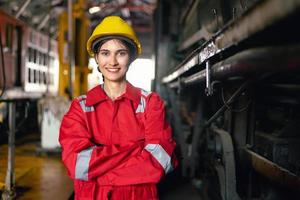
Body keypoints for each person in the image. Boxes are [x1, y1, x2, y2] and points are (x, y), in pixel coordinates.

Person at [59, 16, 177, 200]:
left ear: (130, 58)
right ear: (96, 58)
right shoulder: (80, 108)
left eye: (120, 53)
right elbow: (77, 165)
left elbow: (160, 162)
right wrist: (135, 150)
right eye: (105, 53)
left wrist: (100, 172)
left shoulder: (151, 104)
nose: (112, 62)